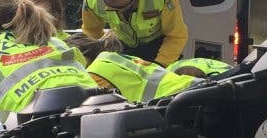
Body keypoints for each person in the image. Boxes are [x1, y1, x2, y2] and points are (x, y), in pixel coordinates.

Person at [80, 0, 188, 66]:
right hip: (125, 46)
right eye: (113, 9)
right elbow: (91, 33)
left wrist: (160, 65)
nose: (121, 12)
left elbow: (176, 35)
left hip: (160, 44)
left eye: (127, 6)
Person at [66, 34, 200, 103]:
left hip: (176, 102)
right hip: (191, 88)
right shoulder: (114, 57)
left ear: (79, 53)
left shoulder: (93, 75)